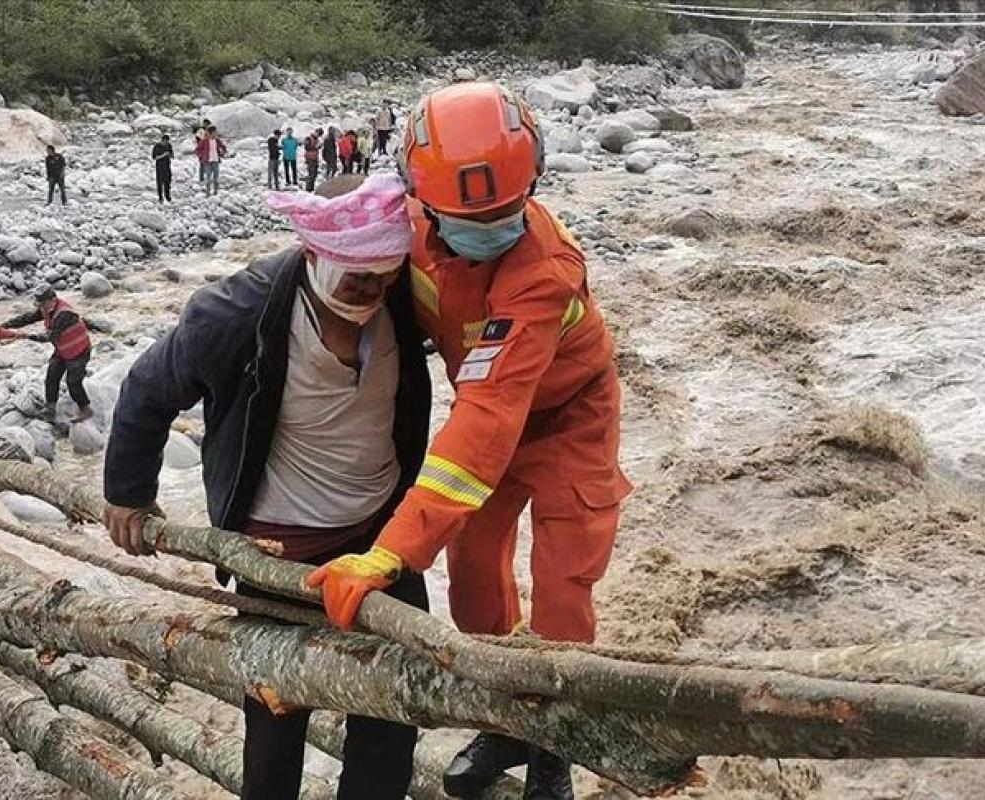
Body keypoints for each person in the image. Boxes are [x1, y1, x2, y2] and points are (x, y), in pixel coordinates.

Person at [305, 83, 632, 800]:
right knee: (475, 572)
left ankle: (556, 741)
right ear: (422, 198)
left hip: (570, 419)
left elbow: (489, 416)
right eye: (468, 220)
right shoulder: (404, 227)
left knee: (563, 588)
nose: (488, 230)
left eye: (502, 216)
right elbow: (336, 263)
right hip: (489, 409)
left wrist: (391, 552)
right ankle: (505, 718)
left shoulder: (543, 273)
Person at [102, 174, 430, 800]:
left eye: (384, 273)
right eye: (356, 276)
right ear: (313, 253)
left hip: (380, 544)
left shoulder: (406, 295)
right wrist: (129, 493)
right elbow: (148, 387)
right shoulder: (239, 312)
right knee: (276, 723)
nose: (372, 288)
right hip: (278, 557)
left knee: (393, 714)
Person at [2, 284, 95, 422]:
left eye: (42, 304)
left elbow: (49, 337)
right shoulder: (47, 309)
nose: (40, 307)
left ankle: (85, 409)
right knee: (52, 376)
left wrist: (26, 336)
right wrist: (5, 325)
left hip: (79, 351)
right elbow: (28, 318)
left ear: (52, 300)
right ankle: (50, 408)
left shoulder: (64, 314)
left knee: (73, 382)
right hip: (63, 350)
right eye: (39, 304)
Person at [196, 126, 227, 197]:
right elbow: (197, 150)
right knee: (208, 178)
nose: (216, 134)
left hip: (216, 161)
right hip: (207, 162)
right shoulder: (204, 141)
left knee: (216, 178)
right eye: (214, 132)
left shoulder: (217, 140)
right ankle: (208, 193)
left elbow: (223, 147)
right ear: (210, 133)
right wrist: (202, 156)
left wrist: (223, 152)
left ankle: (215, 192)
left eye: (216, 132)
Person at [152, 134, 173, 203]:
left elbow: (172, 155)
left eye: (167, 142)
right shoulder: (157, 146)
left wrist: (169, 155)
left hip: (167, 166)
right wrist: (164, 155)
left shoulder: (169, 145)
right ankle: (160, 197)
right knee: (160, 182)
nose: (166, 143)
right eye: (165, 142)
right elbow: (155, 157)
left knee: (168, 182)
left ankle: (167, 196)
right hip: (160, 167)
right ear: (162, 140)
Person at [303, 128, 322, 192]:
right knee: (311, 174)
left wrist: (319, 147)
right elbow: (307, 148)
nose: (318, 135)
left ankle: (311, 189)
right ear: (315, 132)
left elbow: (315, 149)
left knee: (314, 175)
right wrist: (315, 147)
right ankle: (308, 189)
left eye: (319, 135)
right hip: (310, 158)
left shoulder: (317, 140)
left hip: (315, 158)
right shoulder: (308, 138)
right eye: (318, 133)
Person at [194, 118, 211, 183]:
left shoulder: (209, 131)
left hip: (207, 149)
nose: (206, 125)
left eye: (207, 124)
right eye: (206, 124)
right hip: (202, 149)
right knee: (202, 163)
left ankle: (206, 177)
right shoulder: (200, 131)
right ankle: (201, 178)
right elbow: (198, 139)